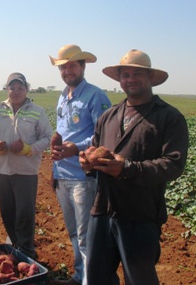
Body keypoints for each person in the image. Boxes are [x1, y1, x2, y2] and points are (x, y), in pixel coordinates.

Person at [79, 49, 189, 284]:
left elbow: (173, 163)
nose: (130, 79)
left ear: (150, 78)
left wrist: (128, 168)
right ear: (119, 80)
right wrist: (88, 163)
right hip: (102, 210)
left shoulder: (168, 117)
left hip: (140, 213)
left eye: (137, 74)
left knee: (139, 277)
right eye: (125, 74)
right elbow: (96, 152)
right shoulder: (108, 116)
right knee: (98, 275)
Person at [49, 45, 111, 285]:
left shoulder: (96, 96)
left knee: (86, 237)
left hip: (83, 178)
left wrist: (78, 147)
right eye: (63, 67)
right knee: (74, 233)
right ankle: (79, 276)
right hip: (63, 176)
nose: (67, 71)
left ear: (83, 66)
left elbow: (104, 136)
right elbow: (62, 134)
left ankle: (90, 280)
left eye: (72, 65)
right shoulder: (63, 96)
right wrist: (53, 171)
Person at [0, 72, 52, 259]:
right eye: (12, 87)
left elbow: (47, 137)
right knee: (7, 210)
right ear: (7, 89)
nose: (16, 91)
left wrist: (29, 148)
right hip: (2, 169)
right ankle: (14, 243)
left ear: (26, 89)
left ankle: (27, 250)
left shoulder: (38, 111)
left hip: (26, 170)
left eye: (20, 88)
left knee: (25, 212)